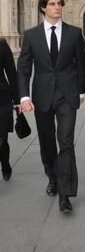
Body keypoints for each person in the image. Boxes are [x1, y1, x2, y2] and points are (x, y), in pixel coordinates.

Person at [17, 0, 85, 213]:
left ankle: (65, 194)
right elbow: (24, 68)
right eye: (53, 4)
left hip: (67, 95)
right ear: (43, 8)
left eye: (59, 3)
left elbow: (80, 64)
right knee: (47, 144)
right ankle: (53, 177)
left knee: (66, 142)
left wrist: (81, 92)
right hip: (42, 97)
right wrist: (24, 96)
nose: (57, 7)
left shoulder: (74, 33)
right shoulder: (31, 35)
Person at [0, 38, 20, 181]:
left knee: (1, 139)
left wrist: (17, 100)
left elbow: (12, 73)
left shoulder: (2, 45)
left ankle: (5, 164)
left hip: (2, 99)